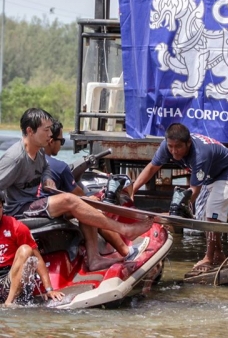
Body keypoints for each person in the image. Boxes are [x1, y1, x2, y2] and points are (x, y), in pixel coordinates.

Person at [0, 108, 153, 271]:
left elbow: (44, 168)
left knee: (84, 204)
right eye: (46, 130)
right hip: (19, 210)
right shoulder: (14, 158)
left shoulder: (38, 153)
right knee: (69, 199)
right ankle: (124, 229)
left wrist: (47, 179)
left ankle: (94, 259)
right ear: (30, 131)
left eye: (50, 129)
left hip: (33, 203)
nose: (50, 134)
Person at [131, 123, 228, 273]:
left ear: (188, 143)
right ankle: (219, 254)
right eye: (170, 147)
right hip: (209, 174)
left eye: (178, 147)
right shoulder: (166, 146)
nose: (174, 151)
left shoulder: (200, 155)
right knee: (204, 216)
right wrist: (132, 191)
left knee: (212, 213)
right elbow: (152, 168)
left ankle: (209, 258)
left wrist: (179, 208)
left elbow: (194, 190)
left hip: (227, 171)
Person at [43, 119, 149, 271]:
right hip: (51, 212)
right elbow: (81, 197)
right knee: (89, 209)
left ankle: (97, 257)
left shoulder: (31, 161)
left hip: (38, 209)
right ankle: (126, 250)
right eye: (61, 140)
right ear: (50, 141)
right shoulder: (58, 167)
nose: (61, 144)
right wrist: (97, 198)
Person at [0, 190, 65, 306]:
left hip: (10, 280)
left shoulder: (16, 227)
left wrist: (49, 289)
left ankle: (9, 304)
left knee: (26, 249)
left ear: (2, 208)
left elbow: (37, 258)